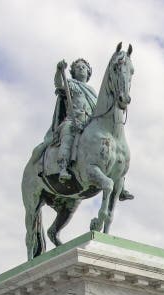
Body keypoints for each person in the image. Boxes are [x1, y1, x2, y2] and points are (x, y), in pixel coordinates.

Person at [51, 59, 134, 198]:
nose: (81, 69)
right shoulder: (70, 84)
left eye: (84, 67)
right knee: (68, 134)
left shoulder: (93, 91)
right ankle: (63, 167)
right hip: (74, 121)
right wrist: (59, 71)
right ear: (73, 72)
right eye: (78, 67)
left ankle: (119, 181)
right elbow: (59, 84)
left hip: (89, 122)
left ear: (88, 72)